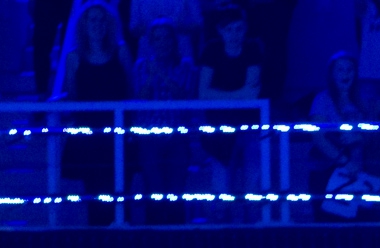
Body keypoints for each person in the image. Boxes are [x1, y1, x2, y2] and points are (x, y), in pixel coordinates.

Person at [61, 1, 132, 227]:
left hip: (117, 133)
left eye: (102, 20)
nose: (98, 25)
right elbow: (73, 97)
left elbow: (131, 90)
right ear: (84, 24)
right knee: (94, 194)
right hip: (89, 137)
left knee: (120, 191)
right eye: (93, 20)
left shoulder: (121, 51)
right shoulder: (74, 58)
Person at [198, 4, 262, 216]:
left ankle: (253, 234)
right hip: (219, 130)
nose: (234, 35)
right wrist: (238, 95)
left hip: (249, 127)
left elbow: (251, 93)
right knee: (221, 191)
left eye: (239, 29)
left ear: (245, 29)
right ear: (220, 30)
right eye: (229, 29)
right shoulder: (211, 50)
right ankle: (222, 237)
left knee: (253, 187)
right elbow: (203, 93)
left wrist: (221, 95)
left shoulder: (252, 48)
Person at [133, 18, 197, 225]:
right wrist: (152, 77)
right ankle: (153, 239)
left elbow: (183, 97)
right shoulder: (141, 66)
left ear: (174, 41)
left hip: (177, 136)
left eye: (167, 38)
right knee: (154, 188)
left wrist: (161, 74)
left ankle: (177, 238)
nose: (163, 43)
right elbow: (139, 99)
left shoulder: (185, 65)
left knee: (176, 190)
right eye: (158, 38)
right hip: (149, 137)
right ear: (151, 42)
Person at [309, 52, 372, 222]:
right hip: (326, 170)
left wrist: (359, 138)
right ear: (332, 74)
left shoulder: (363, 101)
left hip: (356, 173)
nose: (345, 74)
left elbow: (372, 136)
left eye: (349, 69)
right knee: (328, 224)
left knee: (358, 223)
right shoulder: (322, 99)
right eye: (340, 70)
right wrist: (344, 161)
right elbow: (318, 137)